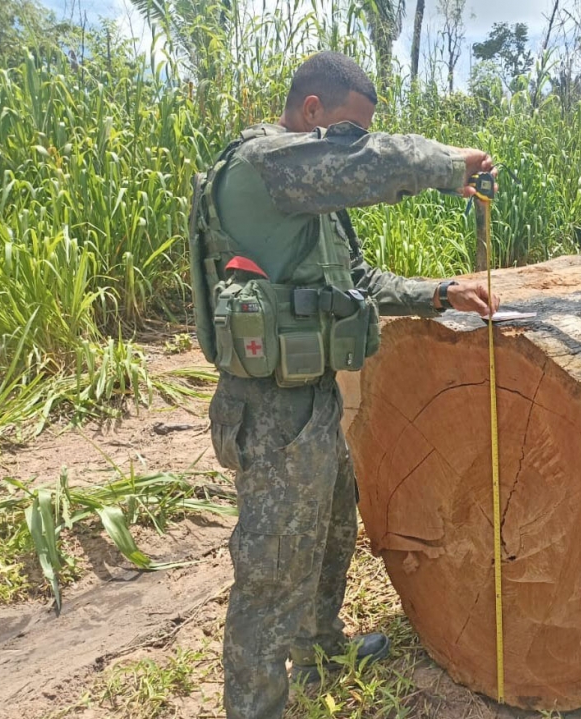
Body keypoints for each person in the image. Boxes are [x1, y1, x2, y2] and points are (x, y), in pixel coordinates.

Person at [189, 51, 500, 719]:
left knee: (331, 531)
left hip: (315, 400)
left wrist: (438, 292)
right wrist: (447, 165)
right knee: (271, 572)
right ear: (311, 113)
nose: (355, 142)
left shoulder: (314, 201)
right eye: (348, 128)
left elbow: (359, 282)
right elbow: (367, 165)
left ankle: (322, 648)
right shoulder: (266, 167)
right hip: (268, 408)